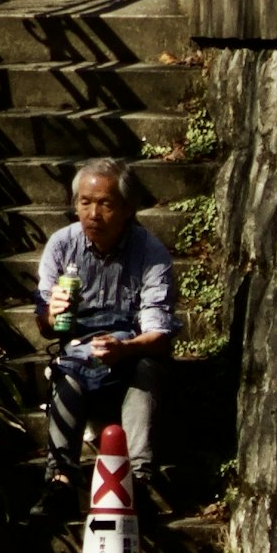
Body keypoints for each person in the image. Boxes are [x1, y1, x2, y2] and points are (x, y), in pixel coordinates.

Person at [38, 158, 176, 483]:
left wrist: (124, 348)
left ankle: (139, 477)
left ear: (128, 209)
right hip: (80, 354)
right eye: (84, 203)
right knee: (66, 371)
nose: (93, 214)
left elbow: (159, 333)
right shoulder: (62, 245)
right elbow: (44, 326)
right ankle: (59, 477)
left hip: (132, 352)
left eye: (105, 205)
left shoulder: (150, 252)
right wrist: (51, 313)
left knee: (147, 368)